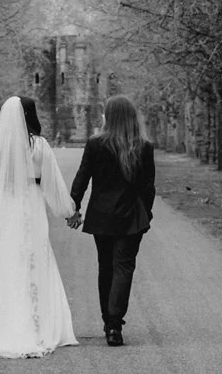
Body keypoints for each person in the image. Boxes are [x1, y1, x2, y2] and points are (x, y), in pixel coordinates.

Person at [0, 95, 79, 359]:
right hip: (30, 210)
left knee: (5, 266)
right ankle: (35, 325)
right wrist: (70, 212)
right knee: (32, 264)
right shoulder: (39, 147)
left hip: (3, 214)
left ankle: (1, 325)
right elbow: (54, 187)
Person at [66, 95, 156, 347]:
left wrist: (73, 208)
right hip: (131, 217)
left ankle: (109, 321)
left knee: (106, 267)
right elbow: (148, 187)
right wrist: (145, 213)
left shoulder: (96, 144)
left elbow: (82, 179)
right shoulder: (143, 146)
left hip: (102, 215)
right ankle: (114, 324)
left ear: (109, 116)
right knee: (124, 268)